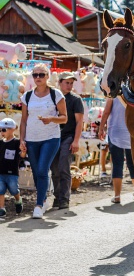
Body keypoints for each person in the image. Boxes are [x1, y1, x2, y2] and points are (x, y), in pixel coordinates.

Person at [20, 63, 67, 219]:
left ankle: (39, 205)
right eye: (35, 75)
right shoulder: (27, 96)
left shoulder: (56, 94)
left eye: (41, 74)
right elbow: (24, 121)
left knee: (41, 170)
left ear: (48, 76)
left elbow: (64, 118)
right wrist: (22, 139)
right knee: (36, 172)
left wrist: (51, 119)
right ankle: (45, 198)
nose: (38, 78)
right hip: (31, 139)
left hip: (50, 138)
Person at [50, 71, 84, 210]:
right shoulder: (52, 98)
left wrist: (76, 141)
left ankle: (64, 199)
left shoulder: (75, 100)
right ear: (59, 83)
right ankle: (57, 198)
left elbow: (79, 122)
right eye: (67, 82)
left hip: (68, 137)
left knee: (64, 166)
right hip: (52, 136)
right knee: (54, 169)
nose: (69, 85)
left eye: (71, 83)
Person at [98, 97, 134, 203]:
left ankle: (117, 196)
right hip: (131, 131)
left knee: (117, 164)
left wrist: (101, 128)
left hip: (115, 131)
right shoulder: (133, 91)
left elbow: (106, 111)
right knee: (132, 164)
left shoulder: (113, 93)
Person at [0, 118, 26, 218]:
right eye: (0, 129)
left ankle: (18, 200)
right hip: (0, 172)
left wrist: (23, 151)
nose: (2, 132)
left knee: (13, 189)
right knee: (0, 189)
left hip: (12, 173)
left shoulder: (16, 142)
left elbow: (22, 156)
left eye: (4, 130)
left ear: (13, 129)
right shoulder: (0, 143)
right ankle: (1, 208)